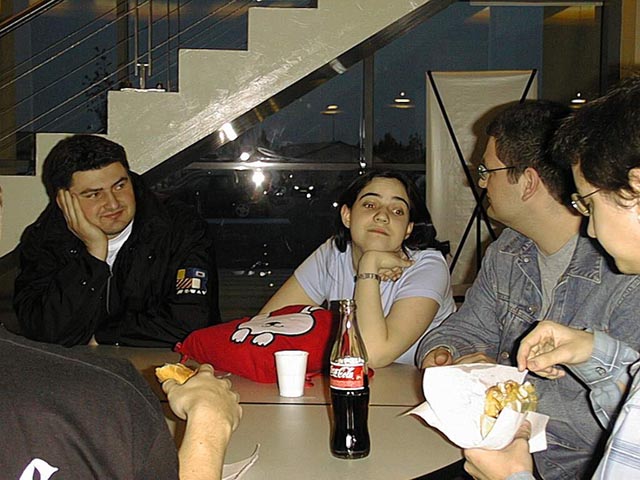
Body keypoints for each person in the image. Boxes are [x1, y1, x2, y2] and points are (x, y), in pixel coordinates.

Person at [416, 99, 640, 479]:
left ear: (529, 182)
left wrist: (497, 388)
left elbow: (610, 428)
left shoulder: (627, 271)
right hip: (502, 452)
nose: (480, 182)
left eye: (487, 171)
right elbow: (461, 331)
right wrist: (449, 357)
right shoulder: (508, 250)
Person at [13, 134, 221, 347]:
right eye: (94, 194)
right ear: (64, 201)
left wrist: (105, 335)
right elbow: (43, 329)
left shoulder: (180, 226)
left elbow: (192, 320)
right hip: (78, 365)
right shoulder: (45, 239)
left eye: (120, 186)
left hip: (168, 361)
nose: (113, 203)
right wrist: (94, 255)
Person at [260, 170, 455, 368]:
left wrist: (368, 265)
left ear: (408, 229)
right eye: (370, 205)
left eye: (397, 211)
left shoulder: (428, 266)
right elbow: (263, 326)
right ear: (347, 216)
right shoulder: (334, 253)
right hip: (354, 382)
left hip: (417, 385)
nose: (382, 216)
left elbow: (372, 355)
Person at [0, 325, 241, 480]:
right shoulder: (106, 394)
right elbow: (51, 325)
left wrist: (103, 331)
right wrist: (210, 421)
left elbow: (183, 320)